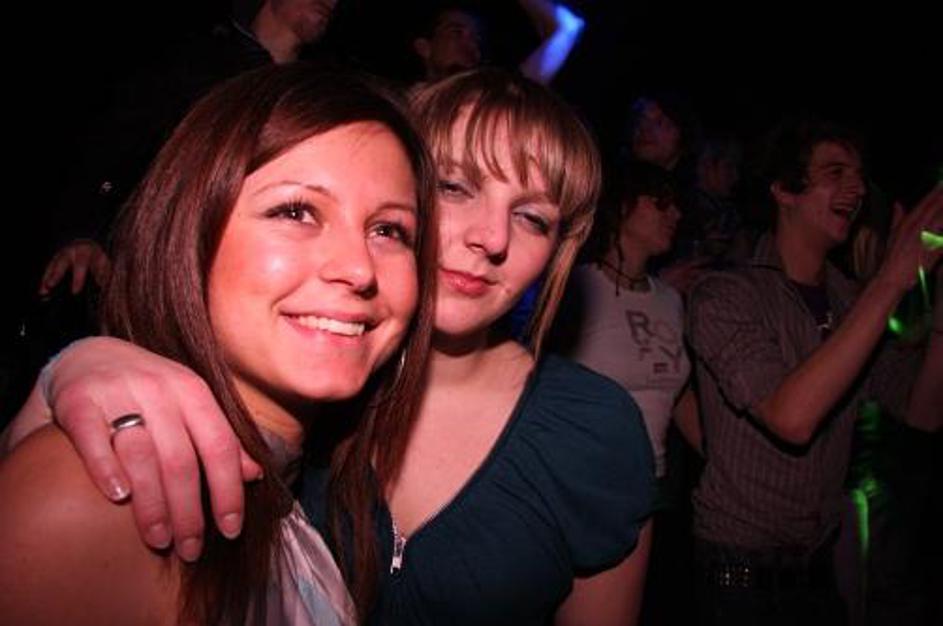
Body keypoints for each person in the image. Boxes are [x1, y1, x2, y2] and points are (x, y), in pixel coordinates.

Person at [8, 68, 655, 625]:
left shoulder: (588, 430)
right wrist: (71, 373)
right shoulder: (317, 381)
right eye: (454, 188)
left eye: (533, 217)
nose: (491, 238)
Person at [0, 63, 439, 626]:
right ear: (190, 234)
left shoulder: (308, 498)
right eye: (296, 212)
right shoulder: (99, 500)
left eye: (389, 231)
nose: (358, 269)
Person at [685, 117, 943, 624]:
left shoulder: (852, 301)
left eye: (859, 175)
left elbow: (923, 412)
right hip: (737, 577)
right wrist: (892, 278)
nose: (856, 188)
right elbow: (791, 418)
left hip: (819, 573)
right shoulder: (725, 294)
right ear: (784, 190)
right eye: (835, 172)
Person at [552, 160, 701, 624]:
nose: (675, 214)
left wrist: (727, 459)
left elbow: (674, 394)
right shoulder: (577, 287)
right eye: (661, 203)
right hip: (578, 488)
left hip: (647, 490)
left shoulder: (670, 299)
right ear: (621, 208)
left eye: (676, 204)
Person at [411, 0, 585, 86]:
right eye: (456, 32)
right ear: (424, 47)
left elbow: (568, 28)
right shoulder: (404, 111)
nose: (473, 46)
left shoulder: (495, 98)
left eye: (477, 39)